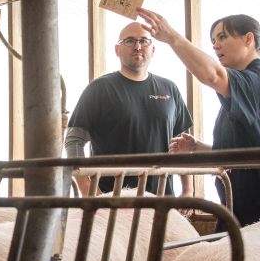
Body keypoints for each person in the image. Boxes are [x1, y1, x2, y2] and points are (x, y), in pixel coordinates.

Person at [136, 9, 260, 228]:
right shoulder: (237, 93)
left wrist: (172, 37)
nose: (215, 45)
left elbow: (213, 75)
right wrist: (197, 147)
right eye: (213, 40)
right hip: (237, 206)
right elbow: (240, 153)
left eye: (223, 37)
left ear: (248, 39)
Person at [65, 21, 194, 205]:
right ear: (117, 50)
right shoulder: (100, 89)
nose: (137, 46)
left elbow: (184, 144)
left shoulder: (170, 89)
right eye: (130, 41)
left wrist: (188, 190)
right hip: (111, 202)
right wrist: (89, 191)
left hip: (162, 201)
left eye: (144, 41)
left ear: (153, 49)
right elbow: (74, 142)